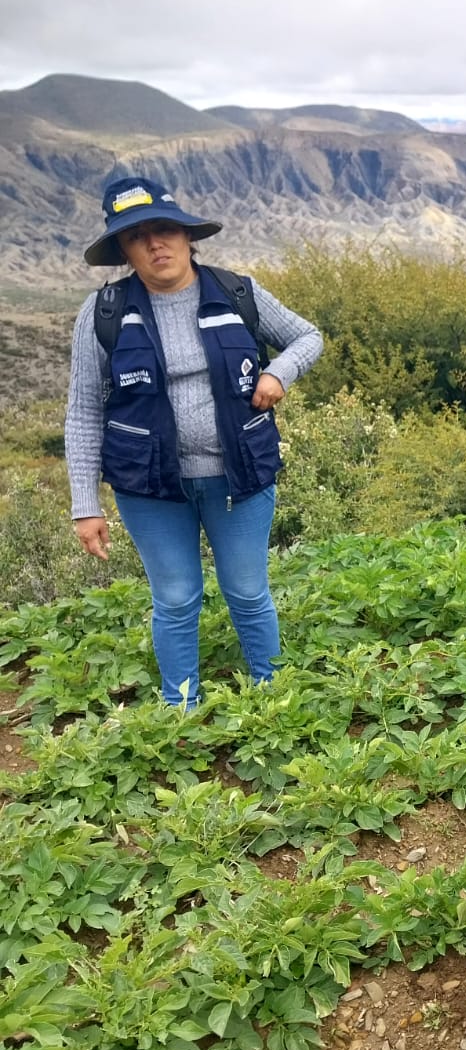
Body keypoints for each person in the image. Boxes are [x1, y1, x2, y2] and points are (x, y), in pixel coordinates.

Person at [65, 176, 323, 706]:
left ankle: (273, 699)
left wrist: (279, 373)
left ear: (187, 236)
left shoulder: (236, 291)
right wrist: (84, 504)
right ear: (124, 251)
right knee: (176, 598)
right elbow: (84, 410)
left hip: (240, 476)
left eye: (164, 229)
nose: (155, 244)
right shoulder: (103, 312)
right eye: (137, 237)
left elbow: (307, 336)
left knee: (248, 592)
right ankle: (180, 708)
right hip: (149, 486)